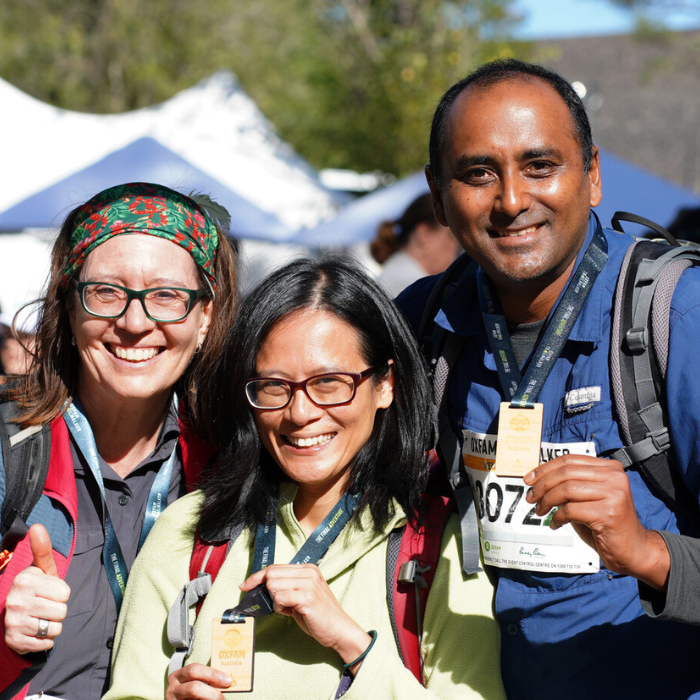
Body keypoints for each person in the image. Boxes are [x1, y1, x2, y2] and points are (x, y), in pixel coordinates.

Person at [396, 59, 700, 700]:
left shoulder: (677, 318)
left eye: (540, 166)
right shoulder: (422, 325)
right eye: (478, 174)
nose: (511, 201)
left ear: (591, 175)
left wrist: (649, 552)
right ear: (437, 195)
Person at [104, 257, 505, 700]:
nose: (300, 412)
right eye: (273, 387)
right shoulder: (191, 529)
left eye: (330, 383)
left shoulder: (440, 544)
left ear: (386, 384)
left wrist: (351, 643)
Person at [0, 182, 238, 700]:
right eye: (106, 291)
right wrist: (3, 638)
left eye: (167, 296)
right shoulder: (9, 455)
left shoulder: (234, 472)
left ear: (206, 317)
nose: (135, 323)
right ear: (68, 305)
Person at [371, 193, 460, 297]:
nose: (456, 246)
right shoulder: (414, 290)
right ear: (425, 234)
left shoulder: (396, 278)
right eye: (451, 236)